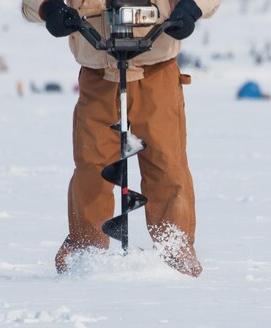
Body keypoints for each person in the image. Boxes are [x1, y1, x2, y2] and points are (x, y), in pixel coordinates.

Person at [21, 0, 220, 277]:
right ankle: (85, 253)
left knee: (166, 164)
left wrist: (192, 7)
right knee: (91, 167)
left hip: (157, 68)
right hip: (97, 72)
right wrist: (49, 7)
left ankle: (175, 250)